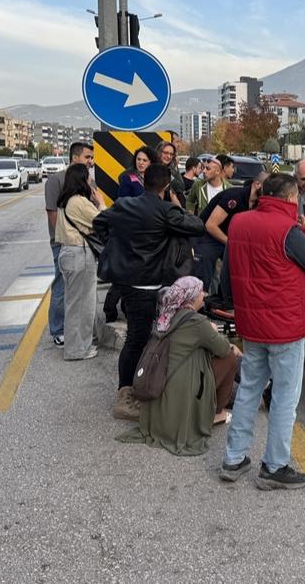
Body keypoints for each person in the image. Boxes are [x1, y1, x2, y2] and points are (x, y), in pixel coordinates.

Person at [220, 173, 305, 490]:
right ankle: (275, 466)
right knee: (284, 397)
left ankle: (234, 458)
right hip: (284, 328)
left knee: (250, 390)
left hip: (251, 325)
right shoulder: (290, 231)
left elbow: (228, 275)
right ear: (290, 198)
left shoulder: (239, 222)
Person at [94, 164, 206, 421]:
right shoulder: (165, 211)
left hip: (125, 281)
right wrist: (176, 204)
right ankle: (126, 396)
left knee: (141, 337)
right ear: (166, 186)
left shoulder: (123, 205)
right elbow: (197, 226)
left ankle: (139, 387)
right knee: (137, 338)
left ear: (143, 180)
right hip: (146, 283)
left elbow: (99, 222)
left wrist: (119, 247)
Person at [118, 277, 243, 455]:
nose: (204, 295)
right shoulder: (196, 322)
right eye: (200, 292)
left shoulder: (165, 314)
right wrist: (214, 332)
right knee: (230, 357)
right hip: (178, 392)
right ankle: (216, 412)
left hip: (156, 386)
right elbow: (222, 349)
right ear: (191, 298)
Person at [45, 141, 95, 346]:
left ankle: (79, 331)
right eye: (87, 157)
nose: (91, 162)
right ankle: (58, 329)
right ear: (74, 158)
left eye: (91, 158)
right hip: (64, 242)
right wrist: (64, 238)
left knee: (81, 291)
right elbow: (52, 212)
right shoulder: (55, 181)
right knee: (61, 285)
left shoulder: (88, 181)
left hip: (84, 243)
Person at [195, 171, 267, 305]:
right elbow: (211, 225)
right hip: (207, 236)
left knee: (239, 266)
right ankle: (199, 305)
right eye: (267, 188)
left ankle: (226, 300)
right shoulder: (234, 197)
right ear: (257, 185)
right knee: (204, 271)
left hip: (228, 238)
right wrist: (232, 243)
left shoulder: (257, 203)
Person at [55, 163, 104, 361]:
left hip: (68, 253)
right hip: (79, 255)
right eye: (88, 177)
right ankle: (76, 350)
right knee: (82, 304)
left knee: (74, 303)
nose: (91, 180)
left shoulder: (65, 200)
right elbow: (103, 220)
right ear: (82, 180)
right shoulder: (78, 201)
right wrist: (100, 202)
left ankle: (77, 345)